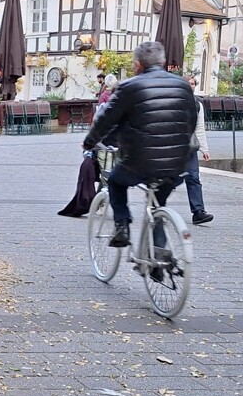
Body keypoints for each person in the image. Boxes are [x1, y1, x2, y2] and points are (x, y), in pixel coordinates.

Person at [81, 41, 198, 248]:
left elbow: (106, 120)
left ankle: (122, 226)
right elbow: (191, 121)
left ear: (138, 65)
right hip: (177, 163)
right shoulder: (183, 86)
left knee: (116, 182)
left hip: (140, 161)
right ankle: (159, 253)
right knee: (158, 204)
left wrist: (90, 142)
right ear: (162, 62)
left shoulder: (129, 87)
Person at [184, 74, 214, 225]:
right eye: (188, 83)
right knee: (164, 180)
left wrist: (204, 149)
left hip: (189, 147)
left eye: (193, 83)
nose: (191, 86)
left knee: (193, 178)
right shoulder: (174, 101)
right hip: (171, 146)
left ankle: (198, 211)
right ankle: (157, 208)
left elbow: (199, 128)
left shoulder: (197, 104)